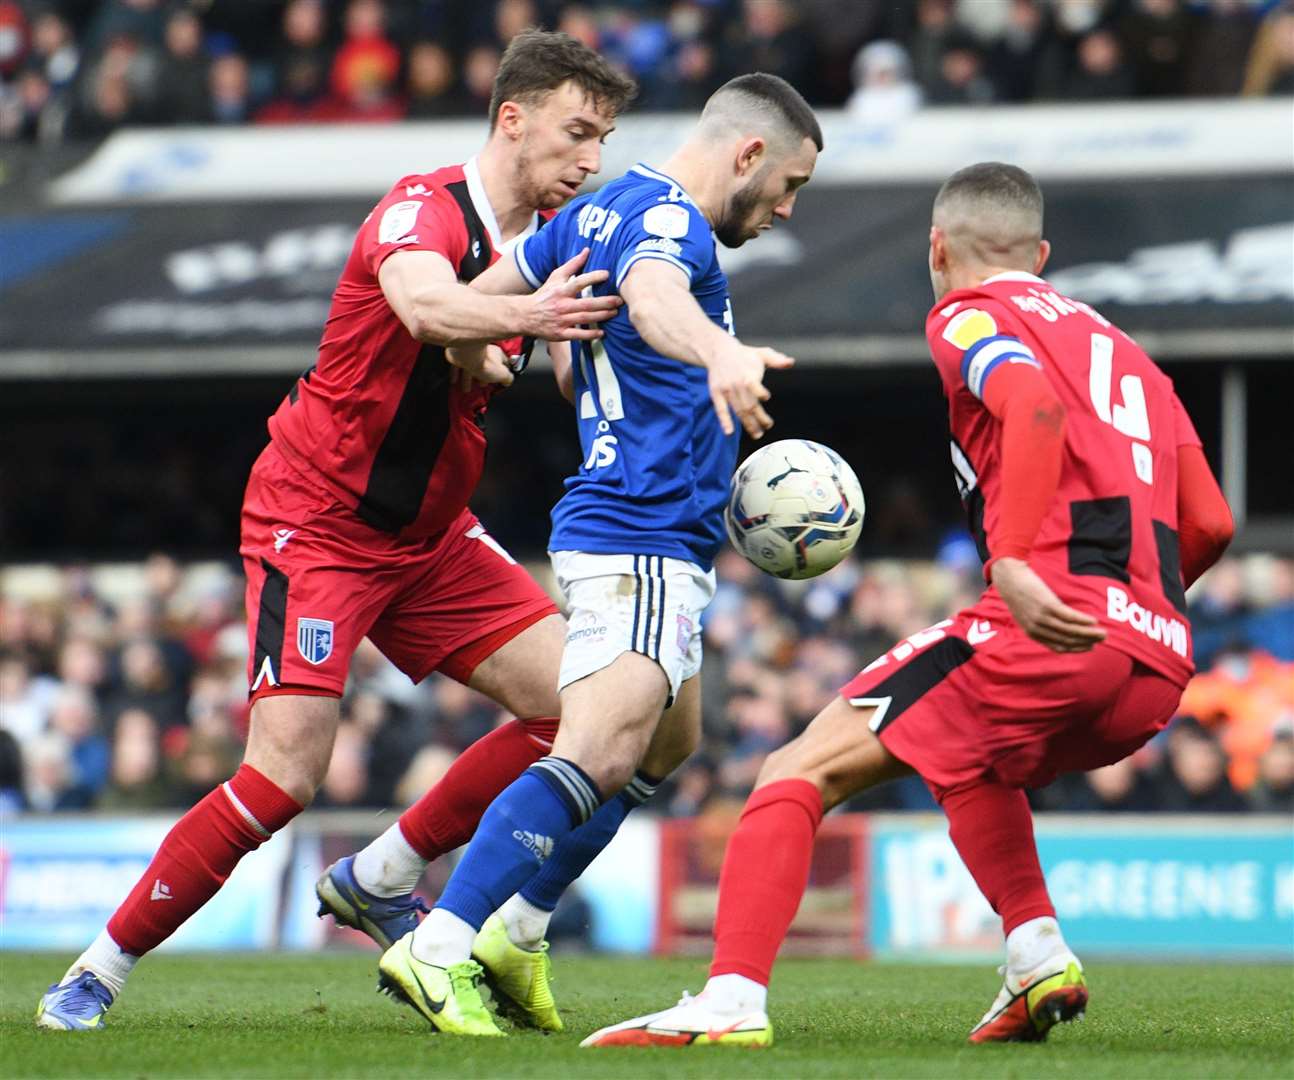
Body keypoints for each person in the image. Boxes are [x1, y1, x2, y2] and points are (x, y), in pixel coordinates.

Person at [36, 29, 634, 1033]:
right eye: (577, 135)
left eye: (603, 141)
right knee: (283, 779)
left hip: (433, 538)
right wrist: (504, 321)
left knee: (585, 708)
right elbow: (421, 302)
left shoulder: (547, 238)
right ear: (512, 119)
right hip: (317, 526)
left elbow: (477, 347)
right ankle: (98, 968)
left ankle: (384, 875)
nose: (590, 161)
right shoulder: (420, 210)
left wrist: (512, 351)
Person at [581, 161, 1235, 1049]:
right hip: (1156, 662)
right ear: (1039, 254)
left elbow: (1032, 405)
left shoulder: (969, 314)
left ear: (937, 247)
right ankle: (1037, 951)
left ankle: (729, 1000)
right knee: (967, 763)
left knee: (793, 772)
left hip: (1050, 625)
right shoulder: (1127, 355)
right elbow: (1212, 521)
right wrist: (1134, 618)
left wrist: (1012, 566)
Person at [370, 72, 822, 1038]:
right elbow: (658, 297)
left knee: (668, 743)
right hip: (642, 531)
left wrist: (480, 352)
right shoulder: (671, 226)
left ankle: (520, 930)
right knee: (596, 752)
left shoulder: (592, 211)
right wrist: (720, 354)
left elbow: (475, 297)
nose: (786, 209)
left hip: (637, 533)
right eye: (788, 184)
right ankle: (441, 941)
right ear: (747, 154)